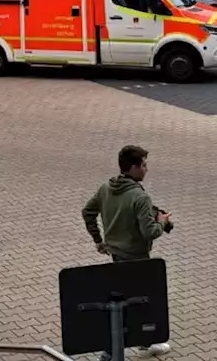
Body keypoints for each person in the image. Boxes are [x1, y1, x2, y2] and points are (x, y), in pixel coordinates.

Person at [82, 145, 173, 358]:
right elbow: (149, 231)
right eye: (143, 165)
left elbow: (88, 212)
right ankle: (113, 350)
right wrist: (161, 222)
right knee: (139, 301)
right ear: (133, 167)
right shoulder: (139, 197)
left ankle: (142, 341)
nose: (146, 169)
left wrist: (99, 240)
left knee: (128, 298)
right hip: (137, 258)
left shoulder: (106, 188)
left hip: (116, 254)